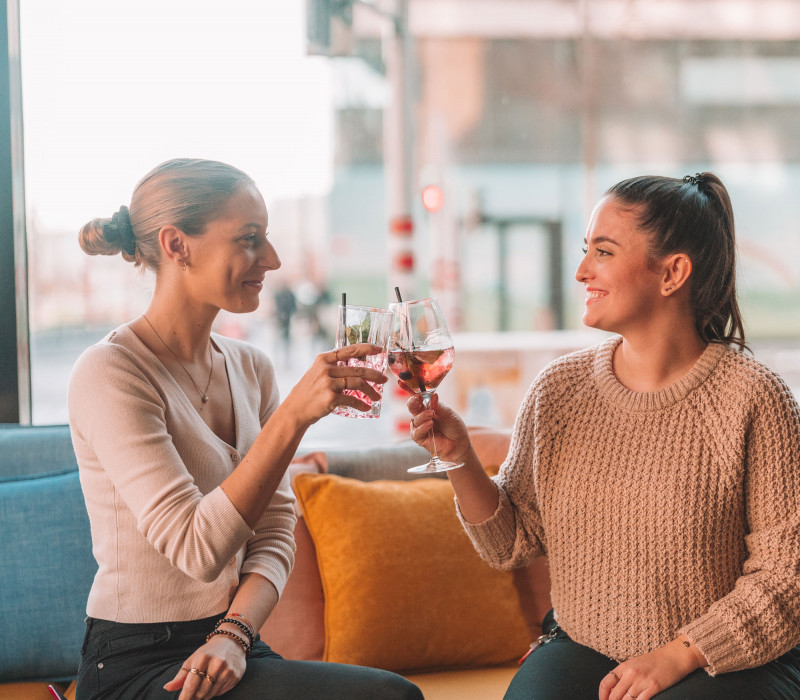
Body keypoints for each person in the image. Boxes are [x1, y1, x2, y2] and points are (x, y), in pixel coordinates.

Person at [406, 172, 800, 699]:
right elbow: (512, 543)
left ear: (673, 273)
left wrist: (676, 656)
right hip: (584, 645)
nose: (581, 270)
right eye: (585, 249)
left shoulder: (754, 399)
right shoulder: (558, 391)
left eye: (604, 252)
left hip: (723, 657)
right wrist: (460, 460)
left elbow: (785, 578)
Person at [69, 158, 423, 700]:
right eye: (250, 239)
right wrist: (293, 419)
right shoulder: (111, 372)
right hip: (138, 660)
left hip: (233, 643)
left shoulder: (250, 366)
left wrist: (235, 633)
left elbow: (277, 525)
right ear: (176, 245)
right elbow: (196, 548)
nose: (274, 259)